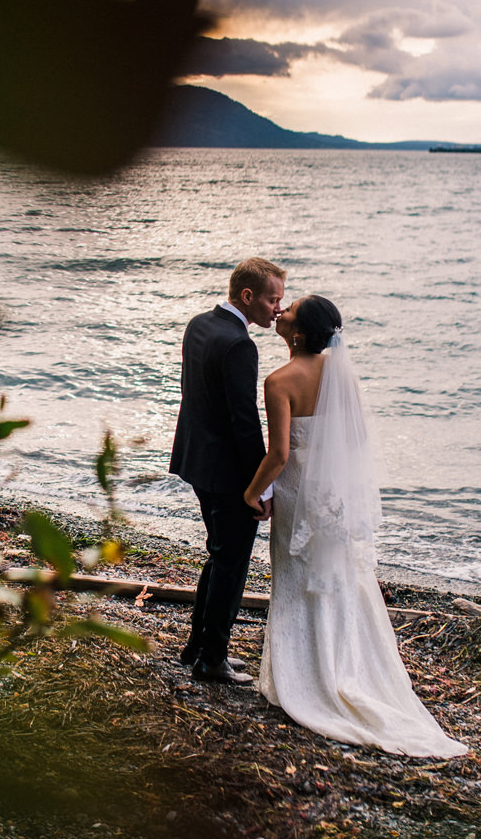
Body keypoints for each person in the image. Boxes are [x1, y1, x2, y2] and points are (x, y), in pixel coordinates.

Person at [243, 295, 468, 757]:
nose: (280, 312)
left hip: (297, 494)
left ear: (299, 333)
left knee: (297, 578)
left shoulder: (279, 380)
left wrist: (251, 493)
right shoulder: (343, 378)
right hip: (334, 498)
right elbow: (356, 440)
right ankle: (347, 666)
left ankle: (305, 676)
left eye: (289, 311)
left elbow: (280, 455)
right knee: (342, 581)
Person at [170, 256, 286, 685]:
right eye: (273, 299)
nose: (278, 308)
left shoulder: (200, 323)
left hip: (197, 460)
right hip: (228, 473)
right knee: (231, 563)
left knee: (219, 554)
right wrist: (262, 485)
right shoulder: (240, 345)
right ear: (248, 295)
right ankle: (212, 659)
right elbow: (245, 422)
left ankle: (198, 646)